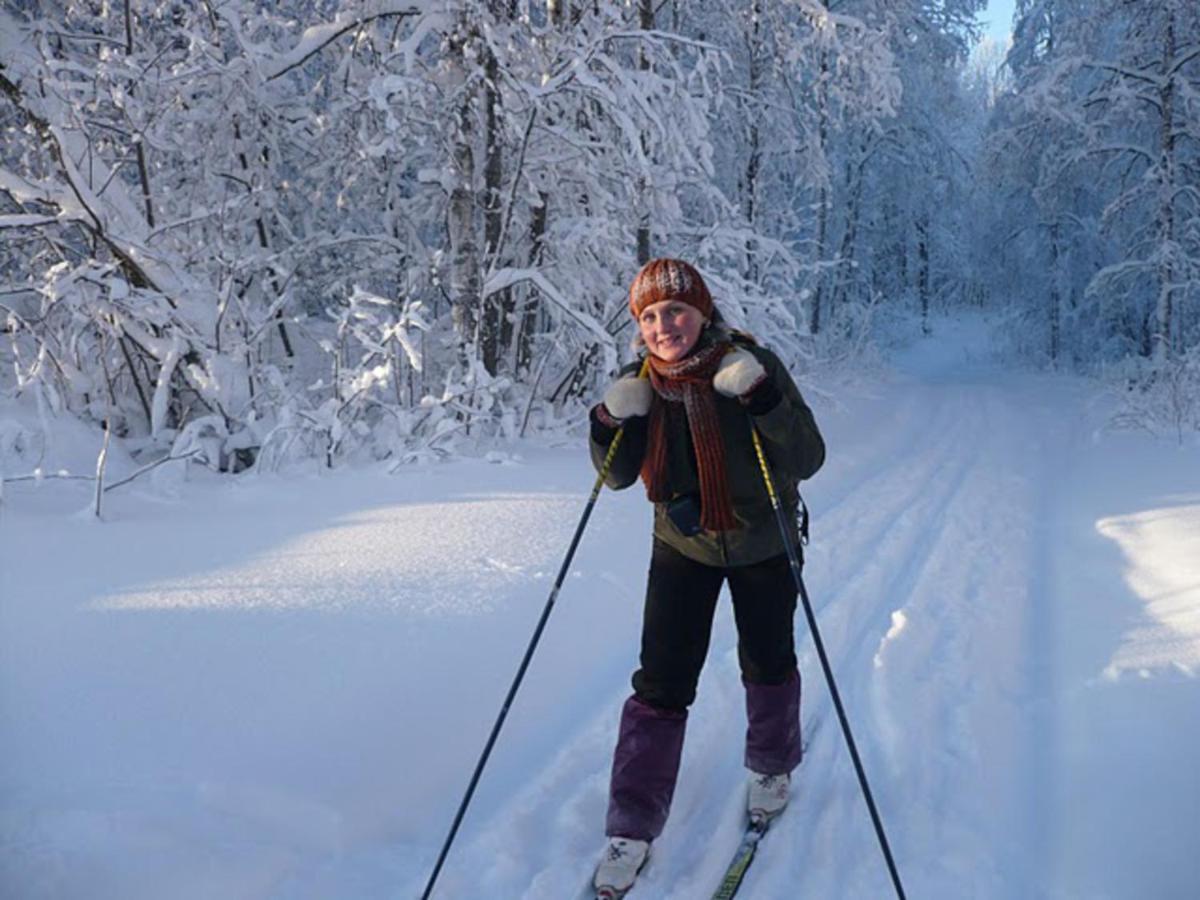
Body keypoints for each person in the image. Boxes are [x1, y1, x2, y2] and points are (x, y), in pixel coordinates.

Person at [587, 258, 825, 897]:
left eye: (677, 311)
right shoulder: (638, 381)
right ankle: (631, 827)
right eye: (651, 316)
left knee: (768, 660)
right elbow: (612, 475)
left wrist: (760, 398)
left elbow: (809, 454)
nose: (666, 326)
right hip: (681, 546)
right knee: (660, 684)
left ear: (703, 311)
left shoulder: (750, 363)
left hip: (762, 541)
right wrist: (610, 421)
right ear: (640, 327)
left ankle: (772, 769)